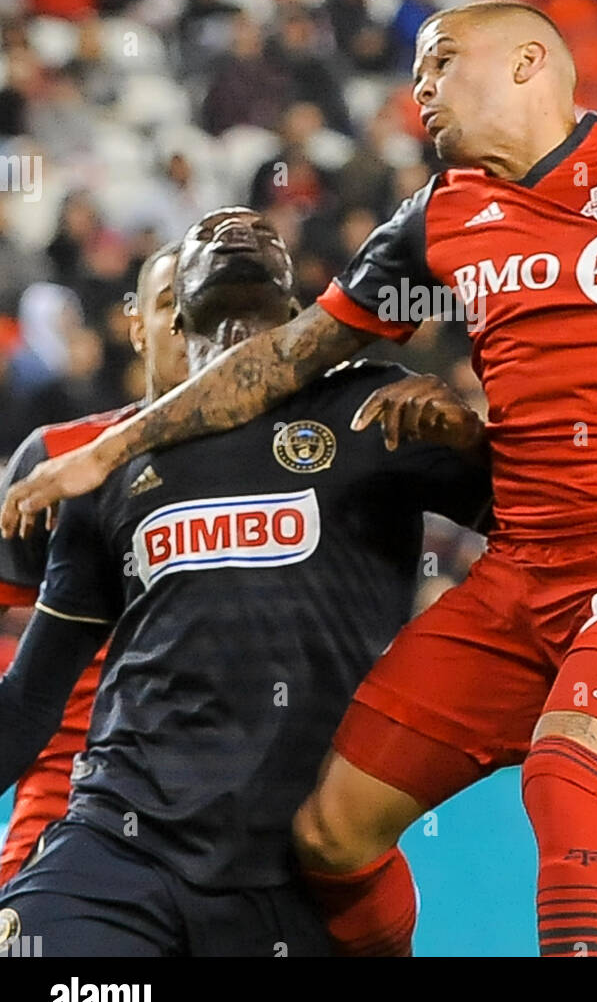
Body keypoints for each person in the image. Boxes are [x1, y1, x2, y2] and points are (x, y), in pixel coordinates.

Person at [1, 2, 597, 958]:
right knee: (332, 836)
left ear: (530, 62)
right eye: (412, 74)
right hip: (520, 572)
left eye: (440, 63)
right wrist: (111, 448)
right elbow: (286, 361)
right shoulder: (437, 216)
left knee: (566, 770)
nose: (422, 91)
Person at [0, 208, 490, 956]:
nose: (235, 228)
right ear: (167, 311)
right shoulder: (102, 467)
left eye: (261, 233)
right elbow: (31, 699)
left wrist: (476, 445)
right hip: (121, 851)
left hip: (293, 869)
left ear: (299, 317)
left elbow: (544, 525)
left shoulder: (374, 409)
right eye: (206, 235)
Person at [0, 241, 186, 883]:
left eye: (210, 306)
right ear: (135, 327)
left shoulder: (303, 462)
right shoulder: (56, 457)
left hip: (244, 808)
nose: (193, 326)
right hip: (70, 798)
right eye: (170, 304)